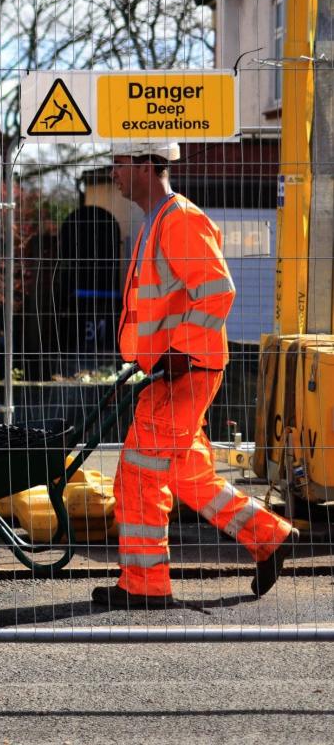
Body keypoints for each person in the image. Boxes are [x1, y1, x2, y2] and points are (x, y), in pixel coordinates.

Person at [98, 141, 299, 609]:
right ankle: (269, 536)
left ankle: (144, 588)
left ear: (148, 165)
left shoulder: (179, 220)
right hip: (175, 370)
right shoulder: (160, 220)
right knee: (187, 473)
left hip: (182, 372)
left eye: (121, 164)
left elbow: (218, 291)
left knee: (138, 474)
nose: (114, 174)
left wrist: (178, 351)